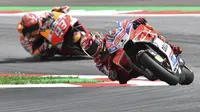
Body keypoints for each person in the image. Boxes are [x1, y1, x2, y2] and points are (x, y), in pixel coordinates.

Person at [80, 17, 183, 84]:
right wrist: (111, 72)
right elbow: (107, 73)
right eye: (90, 51)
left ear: (97, 39)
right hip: (125, 69)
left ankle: (170, 46)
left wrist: (133, 22)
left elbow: (119, 27)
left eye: (93, 46)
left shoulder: (107, 37)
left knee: (144, 27)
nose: (93, 51)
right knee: (120, 77)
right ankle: (145, 70)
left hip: (125, 46)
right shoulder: (98, 62)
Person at [16, 5, 88, 60]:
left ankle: (86, 34)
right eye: (32, 28)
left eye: (36, 26)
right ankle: (62, 50)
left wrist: (60, 10)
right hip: (44, 44)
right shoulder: (24, 39)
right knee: (47, 54)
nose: (35, 29)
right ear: (26, 29)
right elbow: (33, 53)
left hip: (52, 31)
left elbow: (53, 12)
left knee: (73, 24)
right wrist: (40, 49)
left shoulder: (41, 16)